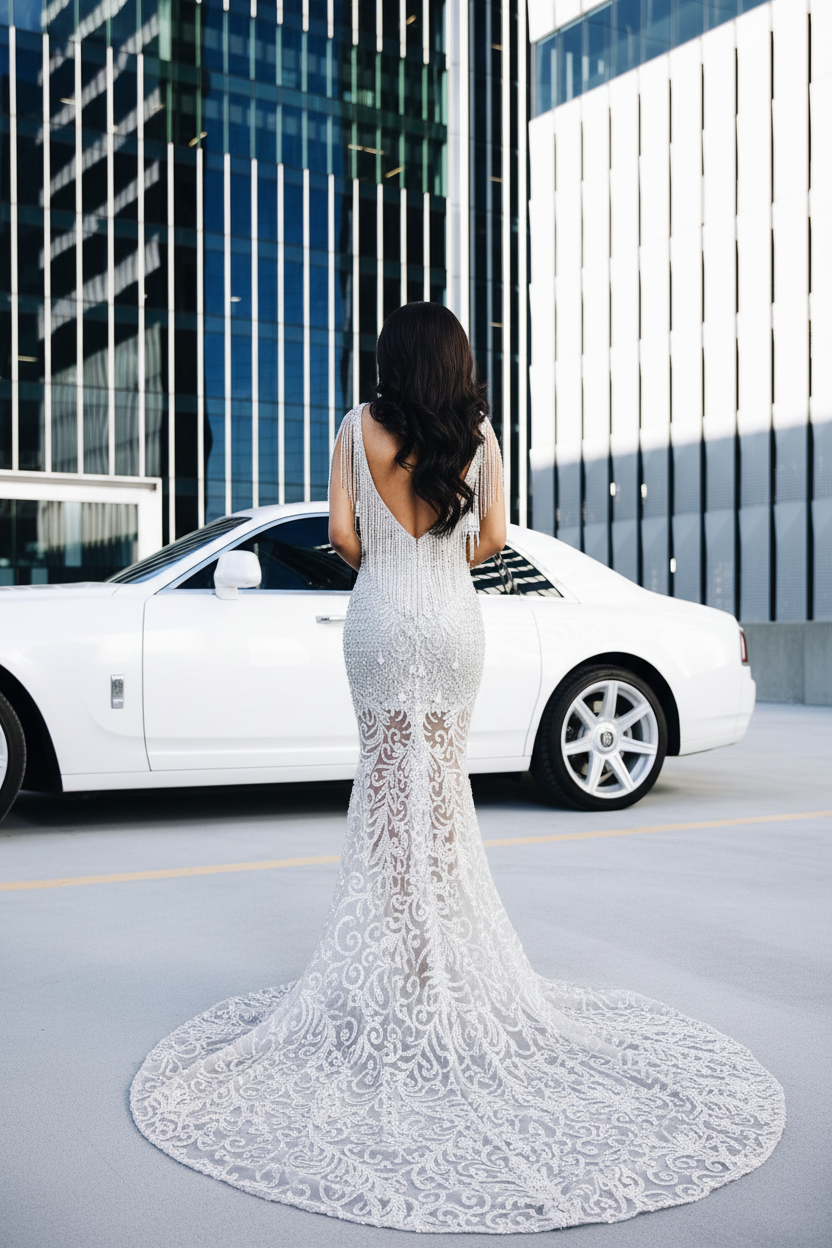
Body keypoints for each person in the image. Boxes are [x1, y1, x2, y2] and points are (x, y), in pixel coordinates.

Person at [131, 303, 784, 1233]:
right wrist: (440, 540)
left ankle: (403, 962)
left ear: (394, 360)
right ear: (458, 363)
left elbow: (346, 539)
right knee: (443, 797)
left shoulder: (357, 427)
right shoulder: (479, 434)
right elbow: (490, 546)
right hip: (450, 623)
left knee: (387, 793)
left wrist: (389, 552)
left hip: (382, 621)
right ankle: (446, 965)